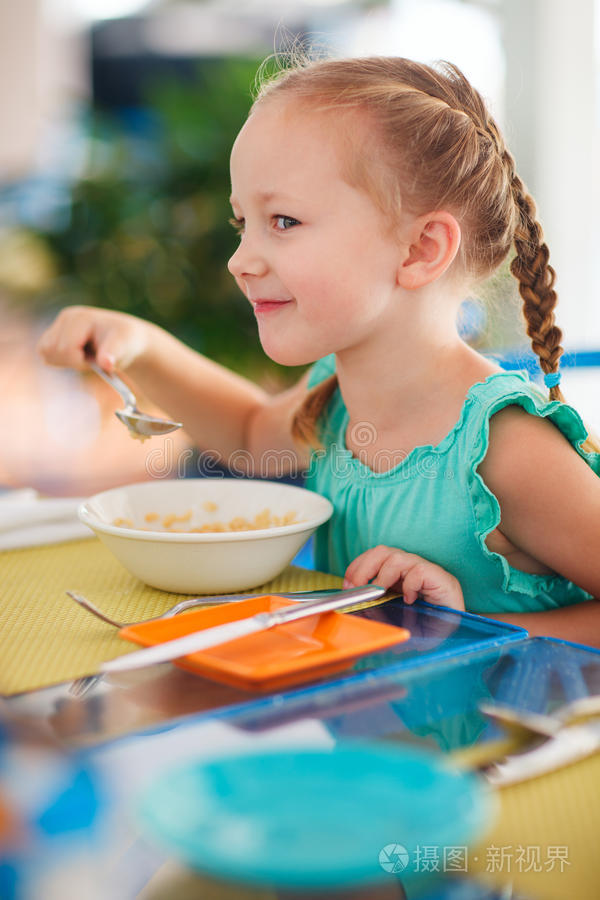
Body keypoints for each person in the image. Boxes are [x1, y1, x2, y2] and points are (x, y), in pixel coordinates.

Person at [38, 55, 600, 645]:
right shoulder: (334, 396)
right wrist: (142, 348)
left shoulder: (505, 446)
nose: (240, 261)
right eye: (242, 224)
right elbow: (250, 432)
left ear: (419, 250)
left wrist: (471, 632)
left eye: (283, 221)